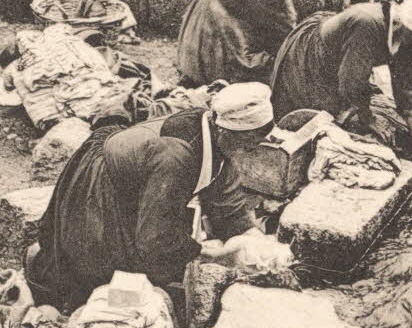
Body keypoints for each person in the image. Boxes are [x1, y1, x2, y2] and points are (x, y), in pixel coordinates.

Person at [25, 83, 274, 313]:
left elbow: (225, 199)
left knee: (156, 256)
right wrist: (211, 256)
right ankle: (42, 270)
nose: (248, 153)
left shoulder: (217, 138)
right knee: (113, 276)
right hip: (101, 183)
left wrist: (252, 237)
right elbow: (155, 238)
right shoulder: (175, 156)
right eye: (247, 145)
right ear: (225, 130)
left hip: (137, 185)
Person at [270, 0, 412, 170]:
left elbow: (408, 84)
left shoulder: (404, 33)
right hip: (311, 54)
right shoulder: (368, 24)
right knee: (325, 118)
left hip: (344, 52)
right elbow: (351, 82)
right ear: (407, 27)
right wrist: (368, 118)